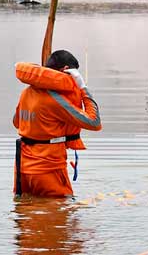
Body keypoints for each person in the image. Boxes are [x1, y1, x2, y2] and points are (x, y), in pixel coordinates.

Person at [13, 50, 102, 197]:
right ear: (66, 70)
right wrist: (83, 89)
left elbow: (16, 122)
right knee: (61, 217)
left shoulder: (27, 92)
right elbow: (94, 122)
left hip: (22, 169)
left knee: (26, 213)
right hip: (48, 169)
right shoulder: (56, 100)